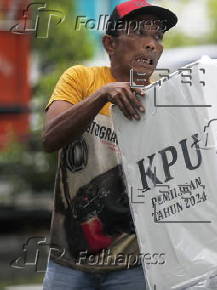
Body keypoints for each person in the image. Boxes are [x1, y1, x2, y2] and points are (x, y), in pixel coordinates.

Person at [41, 1, 177, 289]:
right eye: (140, 33)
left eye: (158, 37)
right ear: (110, 44)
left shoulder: (165, 96)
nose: (152, 45)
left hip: (136, 266)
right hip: (69, 263)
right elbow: (50, 138)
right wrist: (101, 95)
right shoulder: (81, 79)